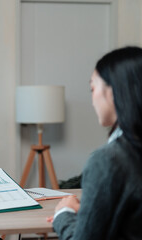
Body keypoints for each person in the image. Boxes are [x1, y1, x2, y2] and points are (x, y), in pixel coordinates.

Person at [49, 46, 142, 239]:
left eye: (92, 88)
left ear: (114, 91)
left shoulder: (108, 160)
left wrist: (63, 214)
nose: (92, 100)